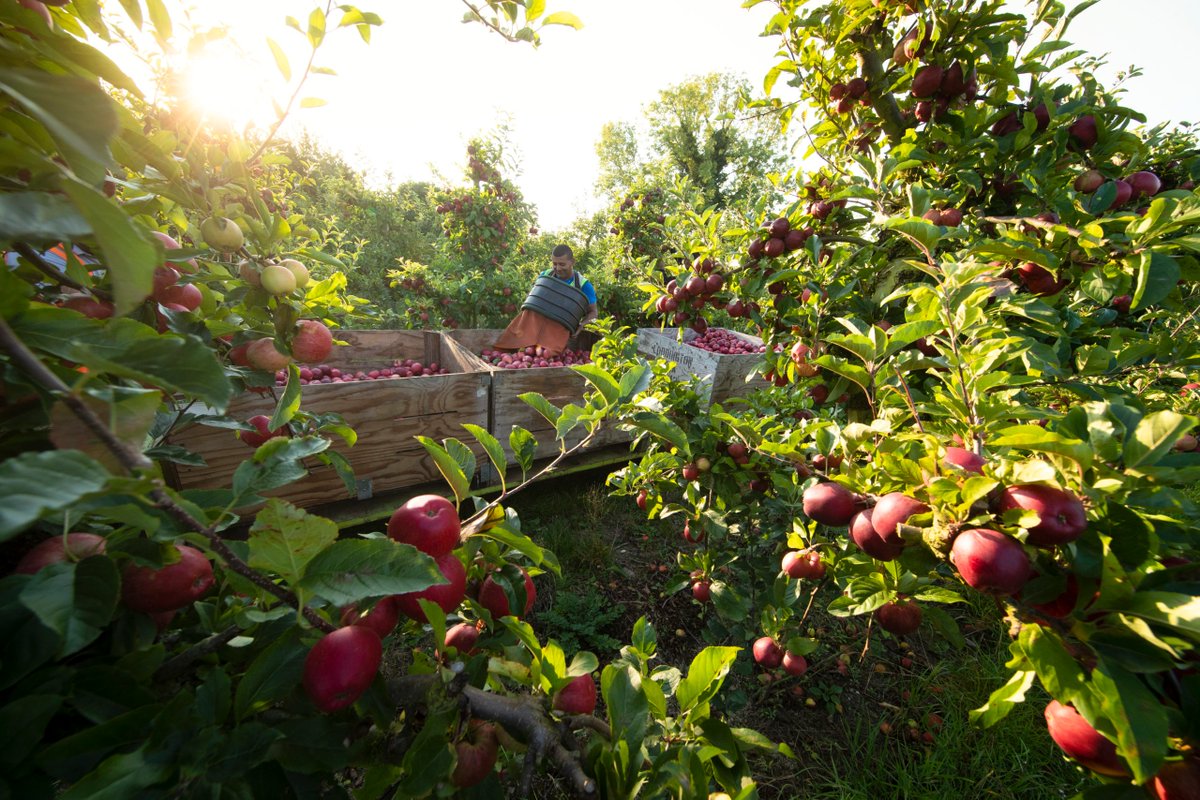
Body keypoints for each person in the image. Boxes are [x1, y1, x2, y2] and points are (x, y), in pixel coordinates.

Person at [494, 244, 598, 354]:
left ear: (572, 262)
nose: (558, 268)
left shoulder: (583, 285)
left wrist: (582, 325)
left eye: (562, 264)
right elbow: (534, 299)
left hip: (559, 332)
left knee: (548, 355)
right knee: (519, 348)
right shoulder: (546, 275)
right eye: (554, 264)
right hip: (535, 330)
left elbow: (593, 312)